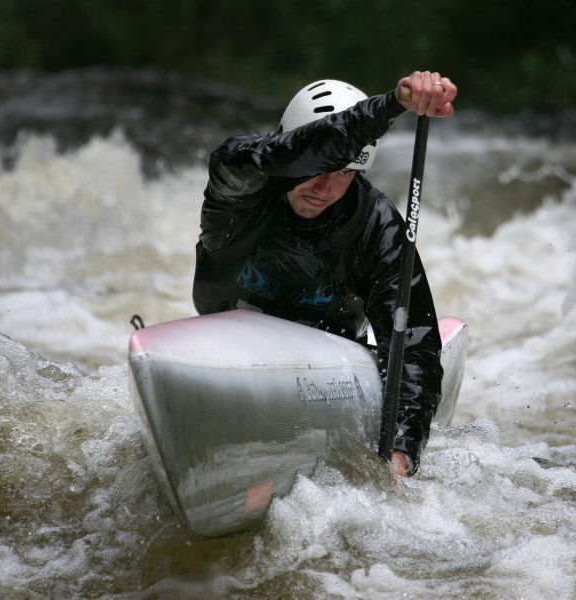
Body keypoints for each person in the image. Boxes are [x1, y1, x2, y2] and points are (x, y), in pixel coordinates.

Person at [193, 71, 457, 477]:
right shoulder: (239, 173)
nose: (325, 188)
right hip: (224, 352)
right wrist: (393, 104)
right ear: (284, 141)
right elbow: (298, 151)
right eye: (317, 168)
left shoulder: (376, 226)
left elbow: (413, 348)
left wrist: (401, 453)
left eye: (345, 173)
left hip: (327, 370)